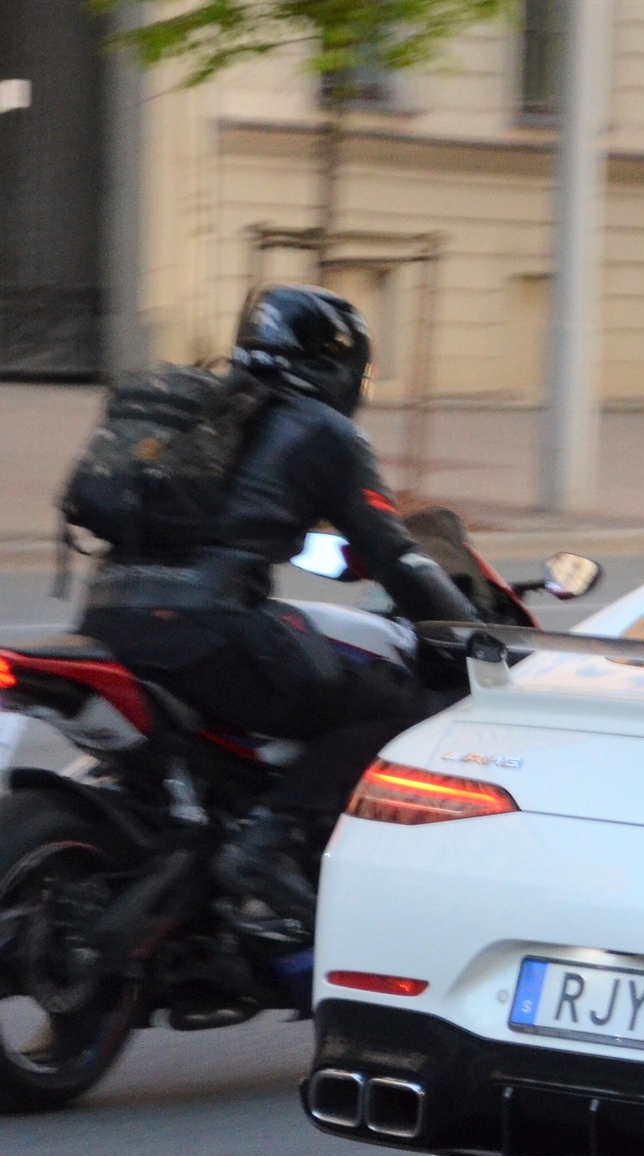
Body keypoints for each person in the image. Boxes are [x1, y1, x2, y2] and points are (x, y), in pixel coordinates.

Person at [78, 284, 478, 939]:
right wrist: (468, 630)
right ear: (338, 366)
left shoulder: (199, 408)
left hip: (104, 622)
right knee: (388, 701)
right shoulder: (323, 429)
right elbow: (396, 556)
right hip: (206, 630)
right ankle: (269, 842)